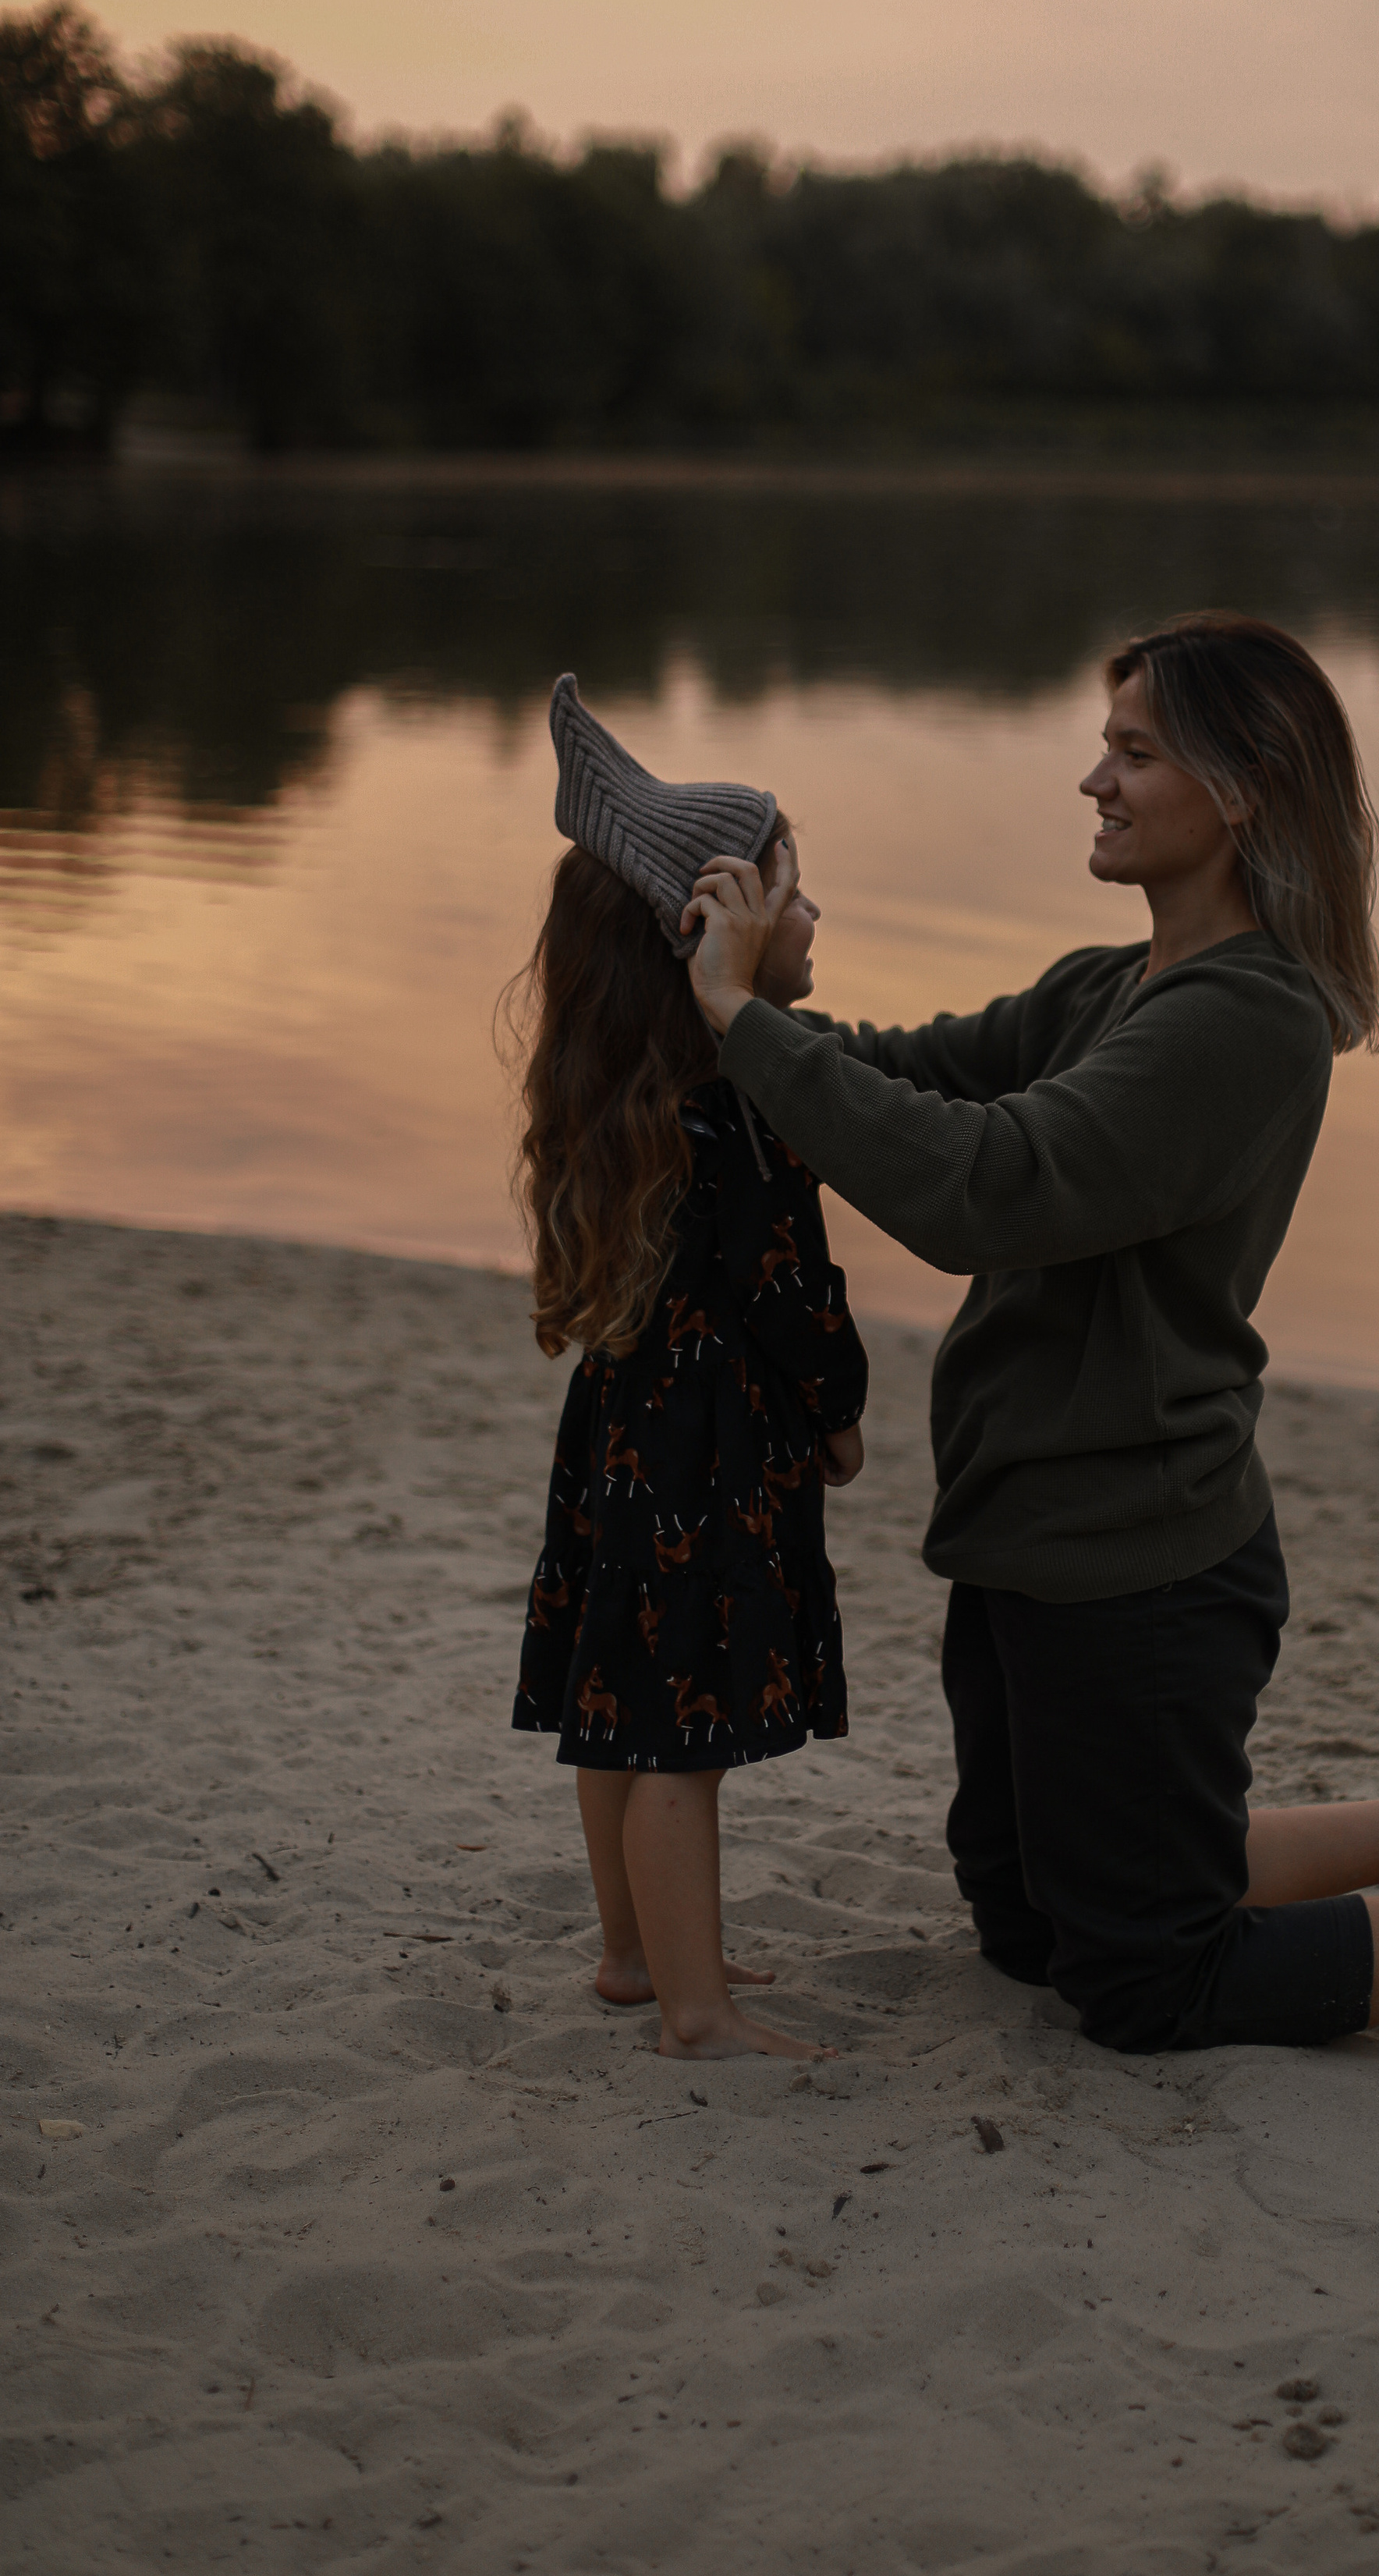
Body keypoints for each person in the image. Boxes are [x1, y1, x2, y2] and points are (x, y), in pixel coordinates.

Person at [678, 612, 1379, 2061]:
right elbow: (883, 1081)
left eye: (1133, 753)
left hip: (1139, 1553)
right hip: (1026, 1530)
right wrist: (725, 980)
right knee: (1026, 1923)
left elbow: (985, 1188)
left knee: (1145, 1981)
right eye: (1103, 747)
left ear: (1239, 790)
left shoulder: (1246, 1024)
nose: (1093, 782)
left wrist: (743, 1021)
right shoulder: (1106, 989)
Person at [509, 676, 868, 2061]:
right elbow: (787, 1287)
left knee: (616, 1706)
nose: (817, 917)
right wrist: (837, 1414)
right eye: (797, 892)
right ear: (713, 929)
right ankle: (698, 2014)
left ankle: (627, 1955)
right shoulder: (741, 1104)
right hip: (708, 1454)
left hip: (618, 1436)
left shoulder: (632, 1104)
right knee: (680, 1741)